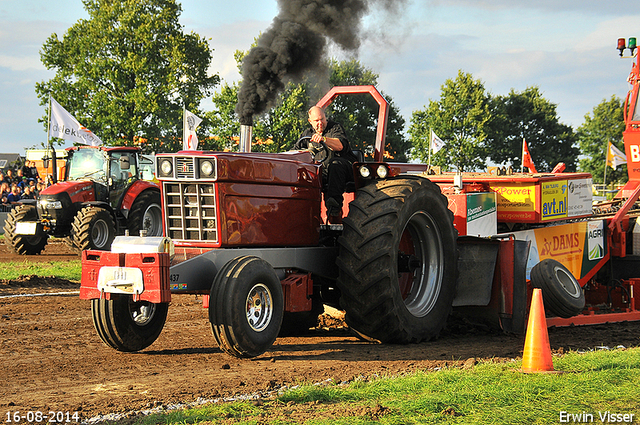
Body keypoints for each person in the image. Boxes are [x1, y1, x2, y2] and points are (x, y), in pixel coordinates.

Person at [293, 106, 357, 223]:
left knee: (335, 164)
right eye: (316, 120)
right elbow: (295, 152)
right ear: (310, 121)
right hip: (323, 172)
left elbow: (340, 146)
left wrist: (324, 139)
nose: (320, 123)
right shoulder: (306, 134)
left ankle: (334, 207)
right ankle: (307, 213)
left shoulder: (335, 128)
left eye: (322, 119)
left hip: (344, 169)